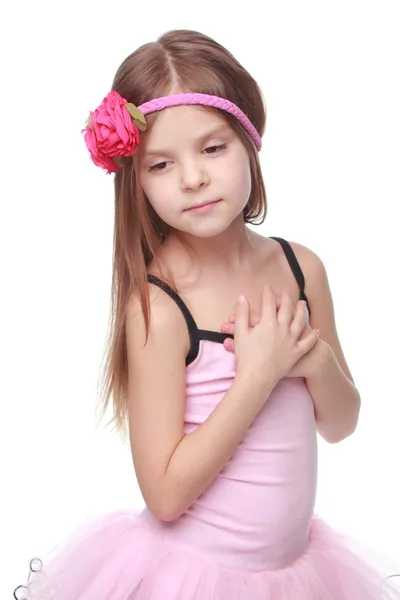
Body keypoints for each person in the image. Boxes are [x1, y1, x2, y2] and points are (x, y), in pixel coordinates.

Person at [14, 28, 399, 600]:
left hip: (296, 575)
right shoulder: (158, 306)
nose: (192, 178)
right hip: (194, 578)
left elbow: (341, 424)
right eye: (161, 165)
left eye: (212, 148)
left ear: (250, 141)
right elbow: (165, 497)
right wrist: (259, 376)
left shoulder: (302, 270)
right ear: (135, 181)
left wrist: (312, 360)